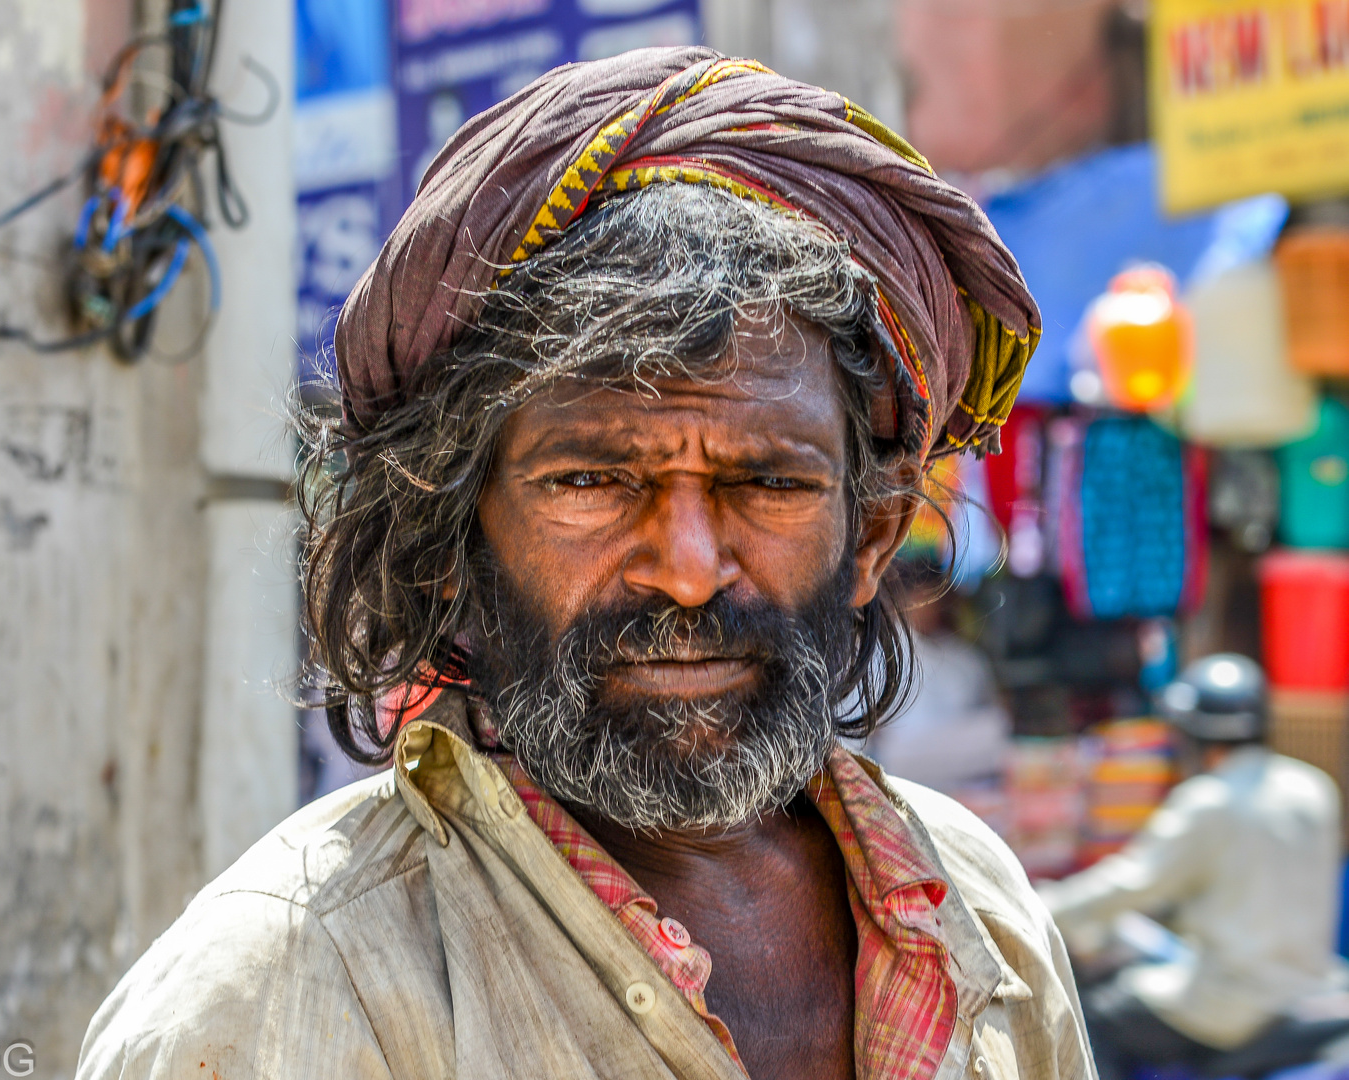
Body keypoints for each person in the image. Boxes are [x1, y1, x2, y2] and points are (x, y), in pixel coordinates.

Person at [77, 48, 1093, 1080]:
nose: (690, 571)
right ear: (453, 537)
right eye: (593, 483)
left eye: (768, 485)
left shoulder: (983, 917)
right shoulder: (283, 993)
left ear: (870, 537)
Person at [1040, 653, 1343, 1080]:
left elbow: (1129, 885)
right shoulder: (1313, 788)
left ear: (1197, 740)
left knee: (1096, 1017)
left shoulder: (1209, 802)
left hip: (1231, 1008)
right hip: (1306, 988)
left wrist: (1042, 907)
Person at [863, 560, 1012, 800]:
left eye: (939, 599)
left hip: (965, 778)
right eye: (925, 599)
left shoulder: (965, 657)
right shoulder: (879, 652)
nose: (935, 608)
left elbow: (996, 716)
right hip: (902, 772)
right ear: (902, 600)